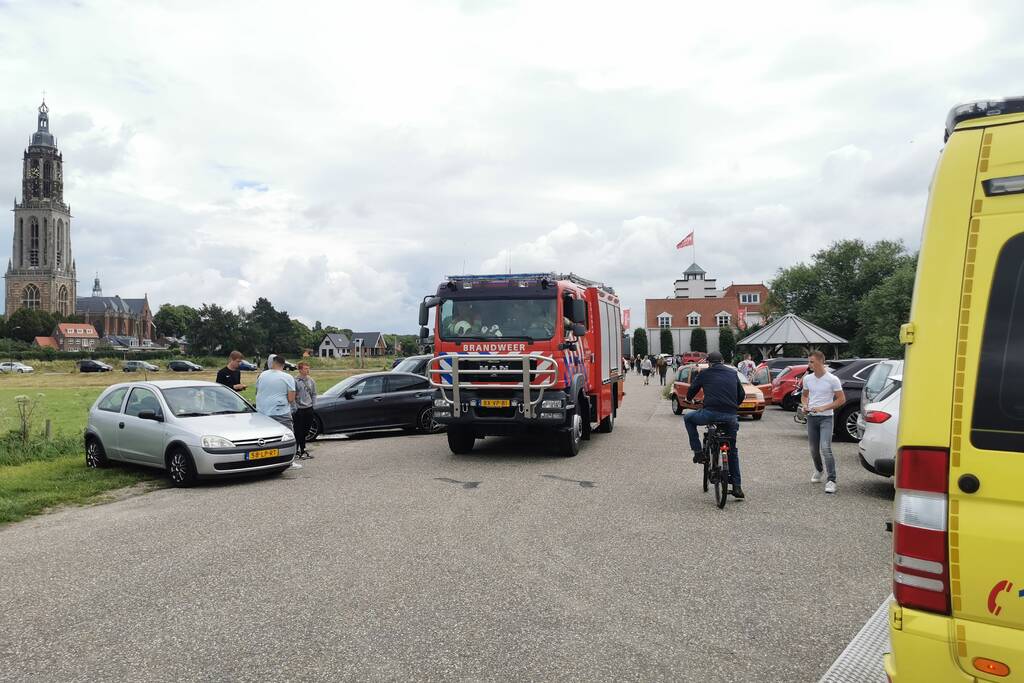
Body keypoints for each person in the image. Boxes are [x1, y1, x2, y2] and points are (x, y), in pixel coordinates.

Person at [683, 351, 746, 499]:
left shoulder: (705, 373)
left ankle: (698, 453)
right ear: (723, 361)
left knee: (688, 419)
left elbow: (692, 390)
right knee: (732, 450)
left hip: (710, 413)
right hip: (731, 416)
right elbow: (741, 394)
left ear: (709, 363)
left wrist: (688, 399)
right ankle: (737, 487)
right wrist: (732, 406)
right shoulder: (732, 373)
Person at [802, 350, 845, 494]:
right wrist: (805, 406)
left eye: (812, 362)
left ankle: (831, 480)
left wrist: (823, 408)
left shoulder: (833, 379)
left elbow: (841, 399)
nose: (809, 364)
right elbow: (804, 395)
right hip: (812, 418)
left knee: (825, 448)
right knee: (813, 450)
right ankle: (819, 470)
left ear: (821, 362)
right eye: (809, 361)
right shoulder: (807, 379)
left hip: (827, 418)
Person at [255, 355, 301, 469]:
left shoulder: (262, 375)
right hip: (280, 412)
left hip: (262, 412)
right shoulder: (287, 377)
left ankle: (265, 460)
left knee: (265, 438)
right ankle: (289, 460)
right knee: (288, 436)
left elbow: (257, 392)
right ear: (283, 365)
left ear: (272, 363)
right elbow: (291, 398)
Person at [293, 362, 317, 460]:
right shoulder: (295, 381)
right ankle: (297, 450)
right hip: (299, 409)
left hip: (309, 408)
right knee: (298, 431)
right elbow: (292, 395)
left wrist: (313, 405)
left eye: (308, 368)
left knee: (306, 431)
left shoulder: (311, 381)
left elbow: (314, 393)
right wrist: (295, 407)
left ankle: (303, 449)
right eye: (305, 368)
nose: (307, 370)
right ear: (300, 370)